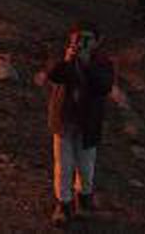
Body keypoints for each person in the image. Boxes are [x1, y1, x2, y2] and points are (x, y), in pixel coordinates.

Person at [46, 22, 114, 227]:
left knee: (86, 166)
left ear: (97, 41)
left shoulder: (102, 62)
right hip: (64, 120)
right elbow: (53, 74)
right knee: (63, 165)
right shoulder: (63, 56)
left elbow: (104, 86)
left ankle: (84, 199)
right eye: (78, 38)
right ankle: (63, 204)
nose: (82, 43)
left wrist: (88, 65)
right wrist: (67, 61)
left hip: (88, 123)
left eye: (87, 39)